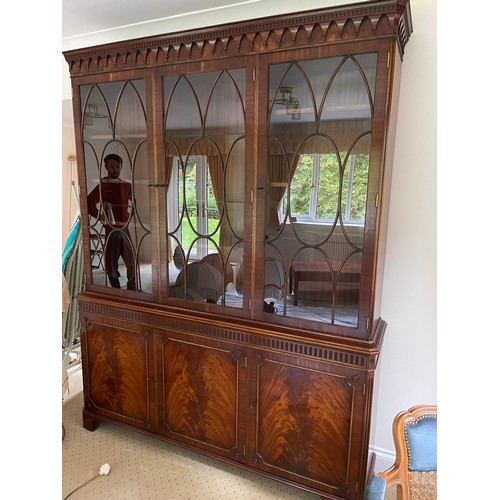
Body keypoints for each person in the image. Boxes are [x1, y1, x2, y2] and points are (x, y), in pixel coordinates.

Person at [87, 154, 136, 290]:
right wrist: (102, 218)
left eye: (117, 167)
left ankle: (132, 288)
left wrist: (129, 218)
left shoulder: (126, 185)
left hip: (124, 228)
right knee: (111, 263)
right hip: (110, 229)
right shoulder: (102, 186)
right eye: (112, 166)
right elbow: (89, 203)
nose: (115, 169)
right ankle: (116, 289)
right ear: (106, 167)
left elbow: (134, 204)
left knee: (131, 259)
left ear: (121, 167)